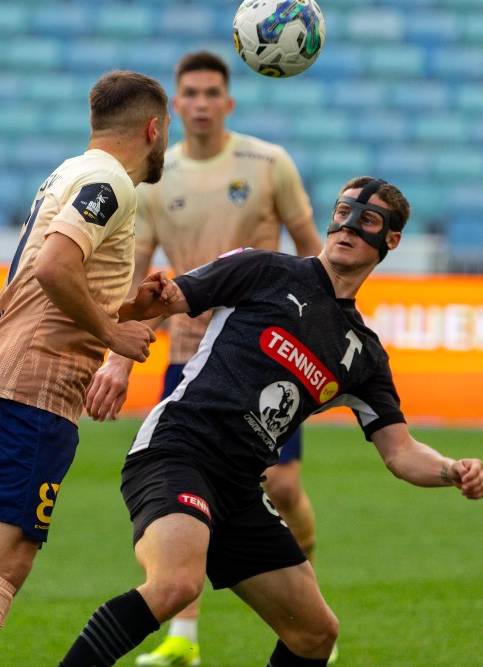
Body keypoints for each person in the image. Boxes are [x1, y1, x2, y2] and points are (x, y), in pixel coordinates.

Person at [57, 177, 483, 667]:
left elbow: (401, 451)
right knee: (176, 584)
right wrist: (119, 360)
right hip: (179, 451)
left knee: (316, 634)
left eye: (366, 220)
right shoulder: (263, 268)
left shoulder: (363, 354)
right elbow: (163, 300)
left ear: (391, 239)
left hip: (240, 487)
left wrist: (450, 470)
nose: (348, 227)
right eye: (343, 212)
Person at [87, 50, 323, 667]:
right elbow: (138, 275)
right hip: (190, 356)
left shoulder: (269, 164)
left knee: (283, 485)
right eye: (188, 93)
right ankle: (183, 640)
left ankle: (301, 582)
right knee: (192, 494)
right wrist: (117, 359)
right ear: (174, 106)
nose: (199, 103)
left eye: (210, 92)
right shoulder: (157, 176)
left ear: (228, 101)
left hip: (265, 362)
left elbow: (314, 254)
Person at [0, 70, 172, 667]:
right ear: (152, 129)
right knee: (5, 561)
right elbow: (52, 268)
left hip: (4, 378)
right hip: (32, 384)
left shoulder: (70, 172)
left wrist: (126, 308)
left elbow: (56, 279)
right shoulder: (111, 182)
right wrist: (113, 333)